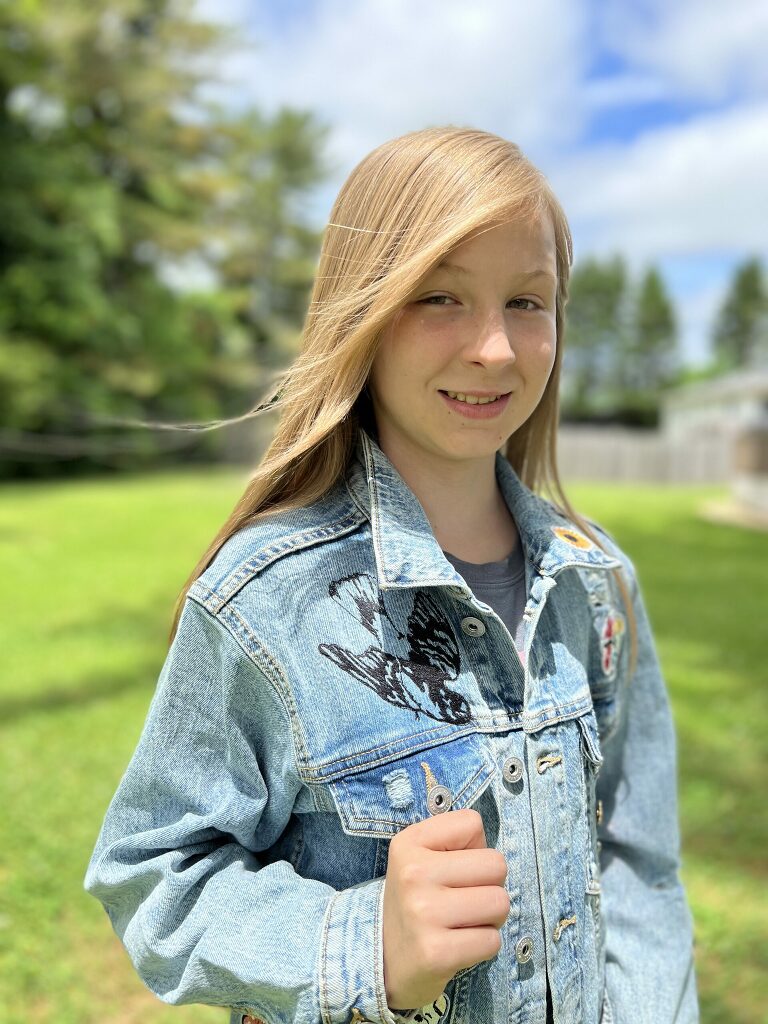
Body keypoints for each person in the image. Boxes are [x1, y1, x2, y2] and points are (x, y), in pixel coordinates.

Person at [84, 126, 699, 1023]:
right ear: (361, 312)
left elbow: (639, 863)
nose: (494, 348)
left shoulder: (596, 583)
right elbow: (152, 875)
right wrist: (363, 943)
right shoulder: (265, 600)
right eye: (440, 297)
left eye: (528, 302)